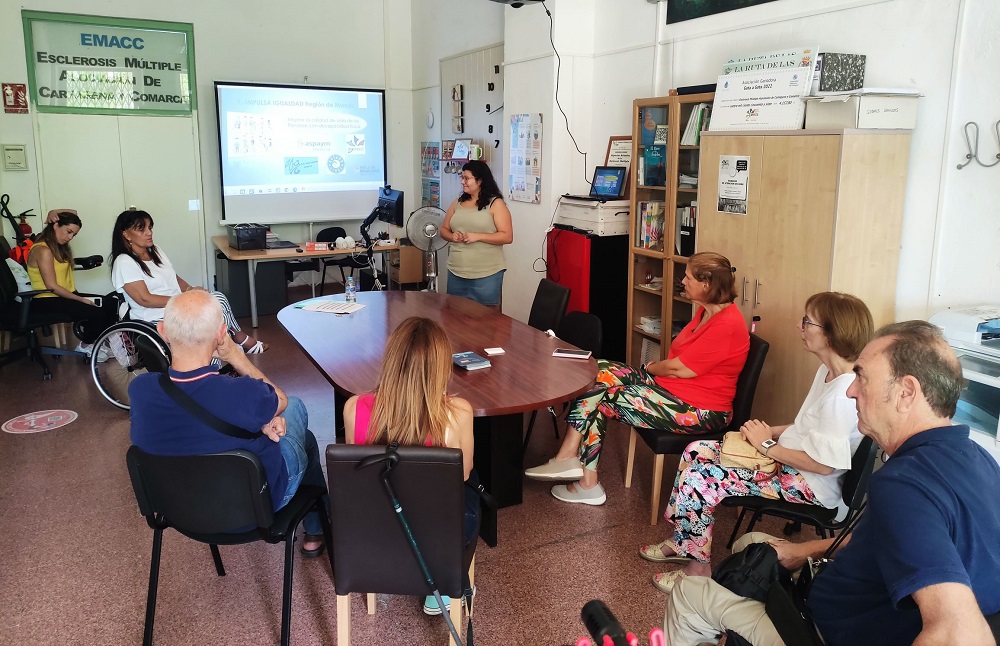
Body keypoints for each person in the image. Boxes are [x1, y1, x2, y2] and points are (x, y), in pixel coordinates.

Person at [664, 320, 1000, 646]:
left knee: (687, 595)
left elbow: (958, 633)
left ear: (905, 392)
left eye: (862, 377)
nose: (852, 391)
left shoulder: (904, 485)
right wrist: (802, 551)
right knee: (750, 542)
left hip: (816, 632)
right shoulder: (979, 460)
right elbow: (886, 538)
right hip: (851, 604)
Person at [643, 292, 873, 593]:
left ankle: (698, 570)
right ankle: (684, 540)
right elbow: (806, 427)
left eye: (807, 321)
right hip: (787, 461)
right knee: (695, 450)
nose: (799, 325)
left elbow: (825, 466)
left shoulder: (841, 396)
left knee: (702, 479)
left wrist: (765, 445)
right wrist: (764, 432)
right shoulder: (827, 372)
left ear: (830, 334)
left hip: (808, 485)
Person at [525, 252, 749, 506]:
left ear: (706, 284)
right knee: (593, 371)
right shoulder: (705, 312)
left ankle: (582, 477)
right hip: (673, 389)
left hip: (699, 409)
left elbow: (680, 369)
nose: (682, 281)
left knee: (602, 396)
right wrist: (653, 371)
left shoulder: (727, 324)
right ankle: (569, 460)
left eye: (687, 277)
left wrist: (650, 369)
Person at [129, 290, 327, 556]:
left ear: (162, 330)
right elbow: (281, 399)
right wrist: (235, 355)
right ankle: (316, 530)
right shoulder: (243, 393)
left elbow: (192, 424)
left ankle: (316, 529)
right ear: (221, 334)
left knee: (287, 429)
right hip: (255, 507)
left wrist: (258, 422)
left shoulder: (141, 389)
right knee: (299, 418)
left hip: (177, 510)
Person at [342, 316, 476, 616]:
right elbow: (463, 476)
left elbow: (358, 475)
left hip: (376, 531)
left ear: (390, 360)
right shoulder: (457, 414)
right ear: (441, 367)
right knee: (470, 481)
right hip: (436, 534)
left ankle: (395, 574)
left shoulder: (354, 408)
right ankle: (442, 583)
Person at [109, 209, 267, 353]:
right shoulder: (124, 262)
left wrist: (190, 289)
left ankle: (230, 341)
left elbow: (173, 277)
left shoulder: (155, 251)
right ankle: (229, 344)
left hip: (177, 308)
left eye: (150, 227)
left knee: (217, 298)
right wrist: (183, 299)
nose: (149, 232)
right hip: (154, 317)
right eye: (141, 229)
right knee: (210, 312)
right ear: (126, 234)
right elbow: (145, 299)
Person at [26, 210, 116, 354]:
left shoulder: (57, 248)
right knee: (97, 312)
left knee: (112, 303)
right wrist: (81, 299)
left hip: (65, 296)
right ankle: (85, 346)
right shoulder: (43, 250)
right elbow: (52, 287)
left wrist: (53, 212)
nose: (70, 237)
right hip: (47, 301)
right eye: (68, 232)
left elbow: (73, 212)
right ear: (55, 225)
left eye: (73, 234)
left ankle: (98, 343)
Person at [440, 160, 513, 308]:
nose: (462, 182)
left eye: (467, 178)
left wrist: (477, 236)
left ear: (480, 180)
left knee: (485, 320)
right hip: (456, 271)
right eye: (462, 177)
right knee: (455, 316)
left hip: (486, 274)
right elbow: (443, 230)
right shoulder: (457, 203)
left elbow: (507, 236)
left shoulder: (495, 204)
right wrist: (451, 236)